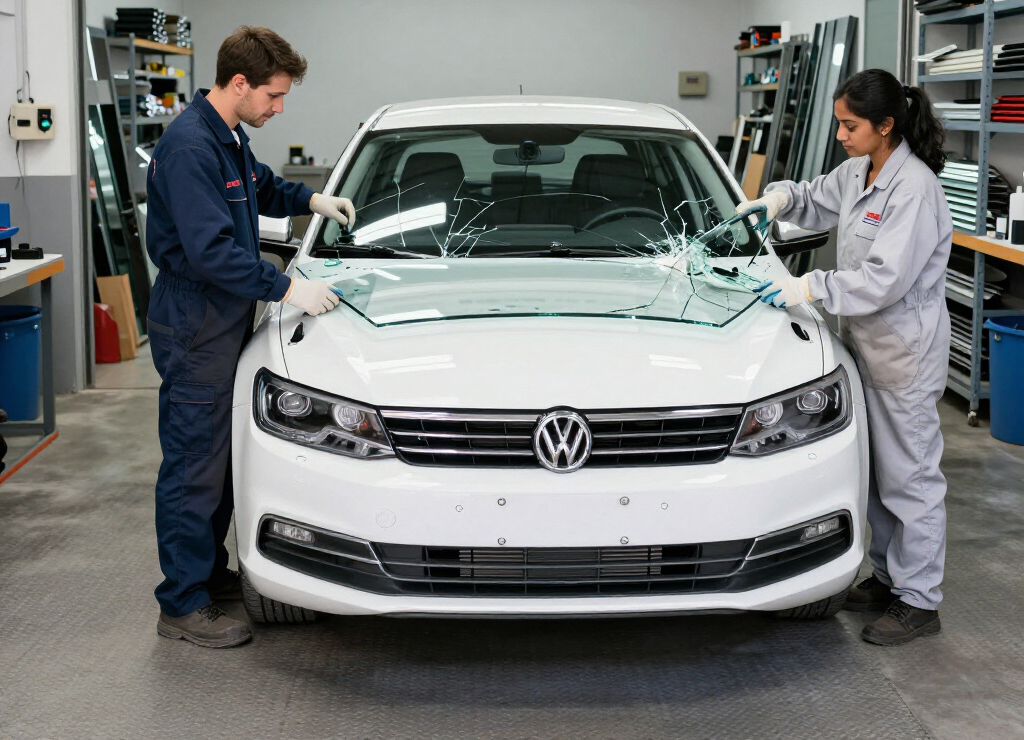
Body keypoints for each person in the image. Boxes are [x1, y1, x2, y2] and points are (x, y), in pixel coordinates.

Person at [145, 26, 354, 647]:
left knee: (220, 461)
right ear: (239, 84)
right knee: (193, 465)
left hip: (224, 317)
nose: (279, 107)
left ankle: (209, 576)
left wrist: (311, 199)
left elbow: (259, 186)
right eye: (274, 95)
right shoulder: (188, 148)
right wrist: (289, 289)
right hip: (196, 321)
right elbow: (211, 252)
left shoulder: (227, 134)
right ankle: (181, 603)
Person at [738, 69, 952, 646]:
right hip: (866, 343)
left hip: (904, 350)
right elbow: (816, 198)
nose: (840, 134)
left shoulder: (914, 190)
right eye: (837, 123)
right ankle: (887, 578)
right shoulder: (861, 169)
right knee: (878, 473)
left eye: (849, 125)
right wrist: (780, 196)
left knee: (910, 476)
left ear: (885, 126)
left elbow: (883, 279)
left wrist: (810, 288)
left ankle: (920, 600)